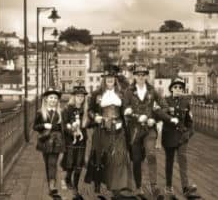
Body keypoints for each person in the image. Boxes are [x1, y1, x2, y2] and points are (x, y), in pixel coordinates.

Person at [85, 64, 134, 200]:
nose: (110, 79)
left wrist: (127, 111)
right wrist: (95, 116)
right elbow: (90, 110)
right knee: (101, 157)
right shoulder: (97, 94)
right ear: (104, 79)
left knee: (119, 157)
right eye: (107, 78)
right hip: (102, 129)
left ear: (115, 79)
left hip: (118, 129)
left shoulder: (121, 93)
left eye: (112, 77)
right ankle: (99, 184)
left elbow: (126, 108)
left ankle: (117, 188)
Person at [124, 64, 169, 200]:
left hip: (149, 129)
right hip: (135, 130)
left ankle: (154, 186)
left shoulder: (152, 90)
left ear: (146, 76)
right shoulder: (129, 91)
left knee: (151, 154)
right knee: (136, 159)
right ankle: (138, 187)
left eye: (143, 75)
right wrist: (136, 117)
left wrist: (154, 118)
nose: (141, 77)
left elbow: (165, 106)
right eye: (138, 75)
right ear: (134, 76)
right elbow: (125, 110)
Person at [161, 77, 199, 199]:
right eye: (175, 87)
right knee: (169, 161)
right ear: (171, 88)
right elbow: (161, 115)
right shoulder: (165, 101)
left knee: (183, 160)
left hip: (182, 136)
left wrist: (188, 134)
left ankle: (185, 187)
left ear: (183, 90)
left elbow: (190, 122)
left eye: (180, 88)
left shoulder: (185, 102)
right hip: (169, 135)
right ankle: (168, 187)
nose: (178, 89)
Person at [33, 87, 64, 199]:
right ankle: (50, 182)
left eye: (55, 98)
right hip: (45, 141)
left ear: (57, 100)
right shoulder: (40, 112)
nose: (53, 100)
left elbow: (62, 128)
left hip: (57, 141)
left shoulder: (60, 113)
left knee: (52, 163)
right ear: (46, 99)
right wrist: (43, 126)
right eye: (51, 97)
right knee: (47, 163)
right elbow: (35, 127)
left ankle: (52, 185)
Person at [61, 85, 89, 200]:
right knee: (70, 163)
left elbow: (90, 123)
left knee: (79, 165)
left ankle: (75, 189)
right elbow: (63, 125)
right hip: (70, 141)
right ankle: (68, 176)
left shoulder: (86, 109)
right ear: (74, 96)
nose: (80, 98)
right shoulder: (67, 109)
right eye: (78, 96)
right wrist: (71, 130)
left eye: (82, 96)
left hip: (82, 140)